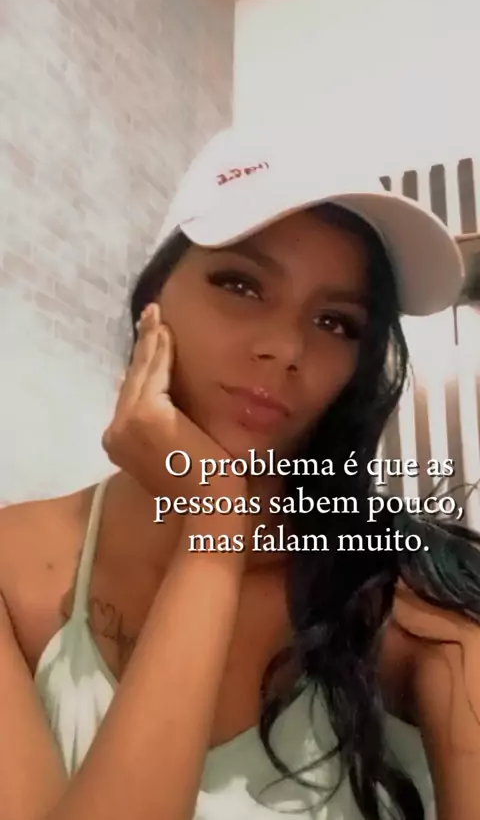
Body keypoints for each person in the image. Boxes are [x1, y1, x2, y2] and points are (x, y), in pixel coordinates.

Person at [0, 125, 479, 820]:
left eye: (337, 322)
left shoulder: (415, 604)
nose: (285, 348)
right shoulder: (14, 567)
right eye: (242, 284)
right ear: (152, 298)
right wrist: (214, 529)